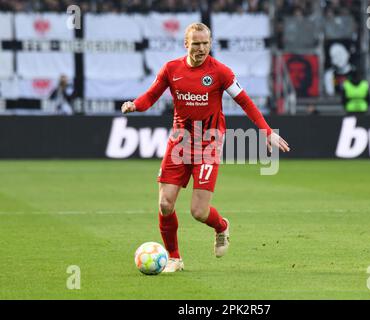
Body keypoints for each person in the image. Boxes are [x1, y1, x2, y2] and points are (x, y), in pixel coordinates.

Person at [121, 23, 290, 272]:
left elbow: (245, 102)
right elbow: (151, 96)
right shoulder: (171, 69)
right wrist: (135, 105)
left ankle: (221, 226)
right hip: (179, 142)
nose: (202, 48)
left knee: (198, 212)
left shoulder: (220, 72)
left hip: (209, 142)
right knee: (165, 204)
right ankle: (175, 258)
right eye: (197, 43)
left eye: (205, 43)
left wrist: (266, 131)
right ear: (186, 44)